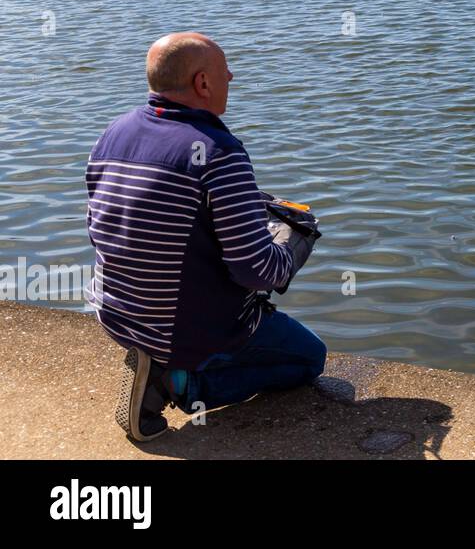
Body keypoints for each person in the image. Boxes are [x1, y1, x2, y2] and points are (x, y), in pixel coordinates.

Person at [84, 32, 324, 442]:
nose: (231, 75)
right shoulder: (218, 151)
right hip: (179, 329)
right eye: (224, 70)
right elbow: (258, 271)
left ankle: (159, 361)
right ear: (203, 84)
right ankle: (177, 383)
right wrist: (294, 240)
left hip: (116, 310)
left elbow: (115, 223)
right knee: (309, 358)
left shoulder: (114, 132)